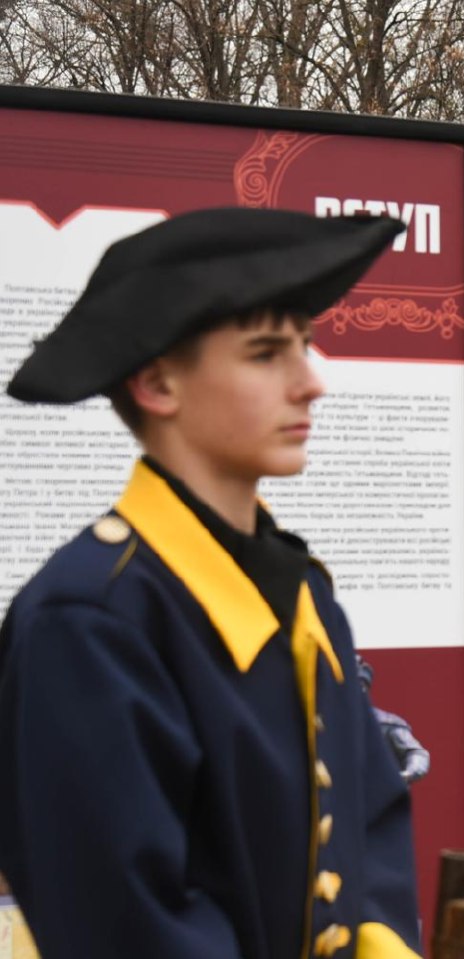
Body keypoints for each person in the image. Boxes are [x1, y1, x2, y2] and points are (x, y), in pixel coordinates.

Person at [0, 208, 424, 958]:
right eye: (266, 353)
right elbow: (131, 926)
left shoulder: (300, 589)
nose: (311, 383)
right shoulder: (90, 620)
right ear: (157, 382)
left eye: (307, 345)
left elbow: (371, 824)